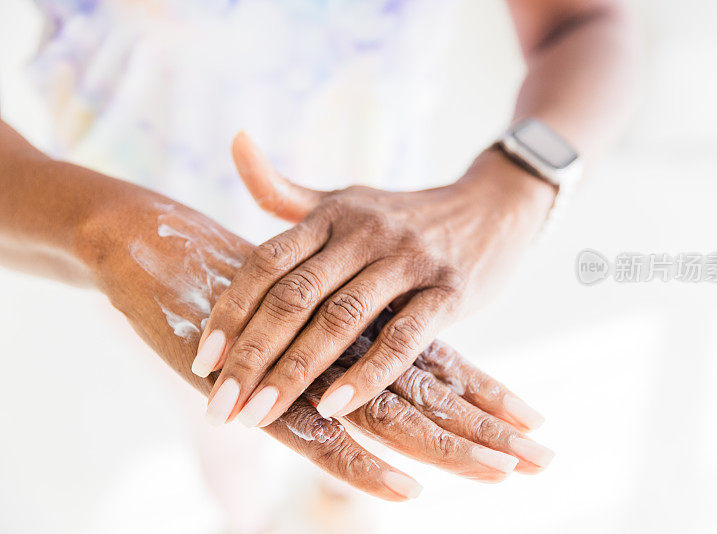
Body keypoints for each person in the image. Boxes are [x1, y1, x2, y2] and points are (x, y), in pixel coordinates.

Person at [0, 0, 638, 528]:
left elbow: (586, 24)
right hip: (141, 253)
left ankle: (338, 506)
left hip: (376, 241)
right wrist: (109, 232)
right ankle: (243, 513)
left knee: (362, 417)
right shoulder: (123, 245)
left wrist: (514, 184)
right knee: (225, 425)